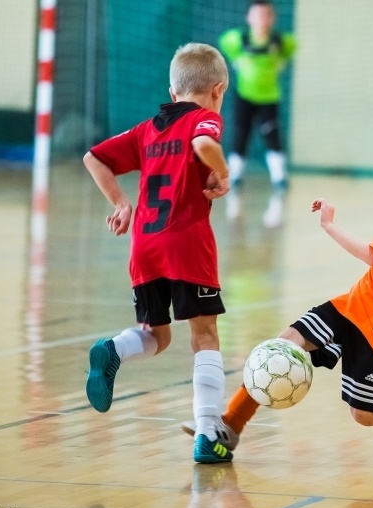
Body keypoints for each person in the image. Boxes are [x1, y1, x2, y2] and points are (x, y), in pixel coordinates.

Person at [183, 123, 373, 464]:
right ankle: (230, 425)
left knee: (365, 413)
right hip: (356, 304)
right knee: (283, 345)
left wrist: (329, 226)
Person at [82, 43, 234, 464]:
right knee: (204, 336)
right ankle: (207, 434)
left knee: (156, 335)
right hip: (187, 244)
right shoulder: (206, 118)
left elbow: (94, 158)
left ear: (172, 90)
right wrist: (221, 172)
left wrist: (120, 204)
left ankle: (114, 349)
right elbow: (205, 143)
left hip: (145, 247)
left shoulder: (148, 129)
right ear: (218, 89)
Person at [219, 0, 297, 194]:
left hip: (269, 97)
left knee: (272, 137)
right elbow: (224, 42)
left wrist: (282, 61)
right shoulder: (238, 39)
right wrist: (235, 59)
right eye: (258, 15)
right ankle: (234, 176)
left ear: (272, 18)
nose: (262, 19)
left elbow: (292, 48)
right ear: (249, 18)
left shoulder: (281, 41)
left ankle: (279, 178)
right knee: (241, 134)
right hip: (244, 95)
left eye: (266, 15)